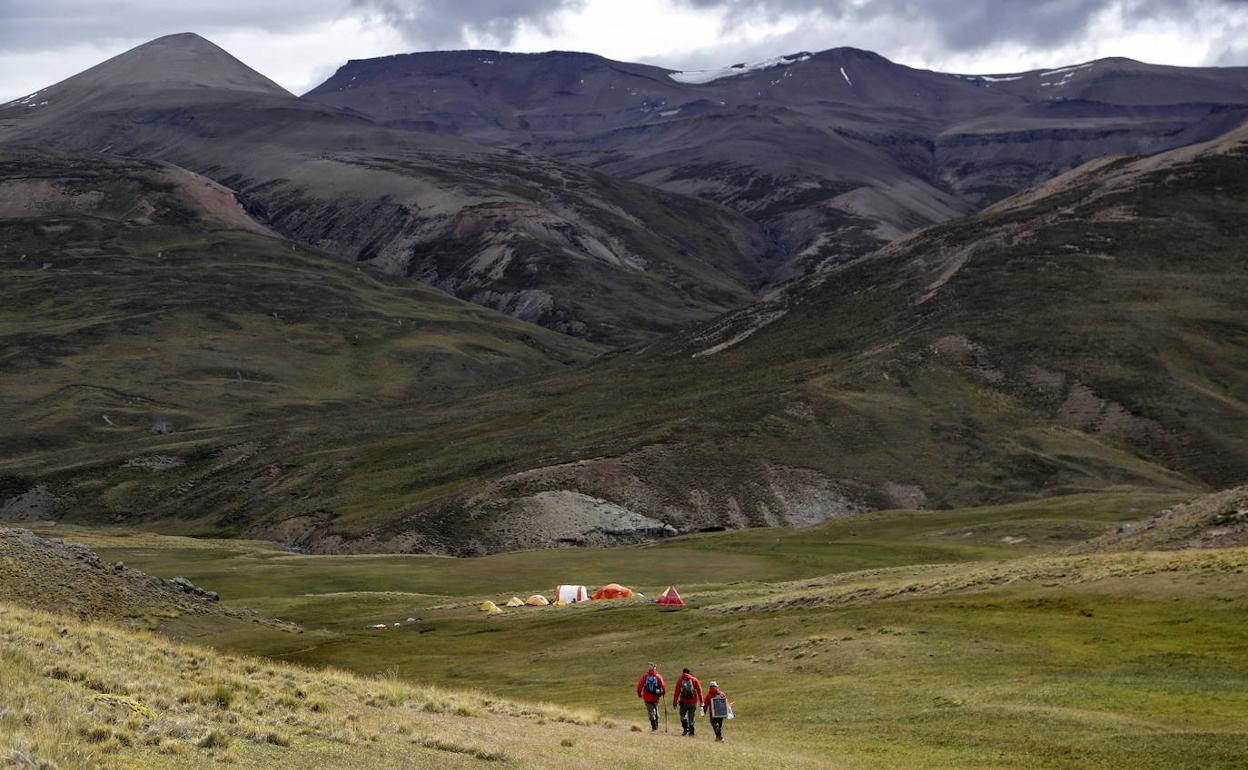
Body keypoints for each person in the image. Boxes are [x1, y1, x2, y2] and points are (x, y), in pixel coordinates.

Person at [672, 667, 703, 736]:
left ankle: (686, 728)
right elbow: (699, 691)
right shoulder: (694, 680)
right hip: (693, 702)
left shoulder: (680, 680)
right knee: (691, 717)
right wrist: (701, 702)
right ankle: (691, 733)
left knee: (682, 715)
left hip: (684, 702)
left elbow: (676, 693)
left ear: (683, 672)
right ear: (689, 672)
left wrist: (674, 703)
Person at [635, 663, 666, 732]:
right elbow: (663, 686)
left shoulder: (645, 676)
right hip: (656, 697)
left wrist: (639, 694)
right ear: (655, 668)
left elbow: (640, 686)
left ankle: (654, 727)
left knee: (651, 712)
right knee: (655, 710)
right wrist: (663, 693)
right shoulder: (658, 676)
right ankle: (656, 726)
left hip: (647, 697)